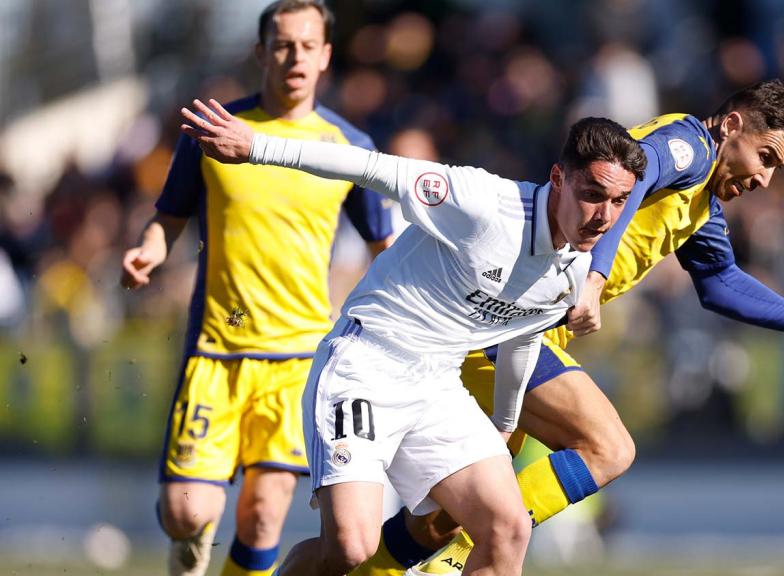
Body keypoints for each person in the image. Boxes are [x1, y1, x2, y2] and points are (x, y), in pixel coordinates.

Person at [348, 80, 784, 576]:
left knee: (445, 519)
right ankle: (453, 566)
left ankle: (371, 570)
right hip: (512, 319)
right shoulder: (688, 144)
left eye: (776, 170)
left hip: (516, 325)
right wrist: (592, 279)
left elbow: (722, 285)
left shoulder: (700, 207)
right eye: (764, 157)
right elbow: (633, 176)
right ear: (732, 125)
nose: (764, 178)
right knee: (607, 448)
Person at [180, 96, 649, 576]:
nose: (604, 216)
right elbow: (369, 167)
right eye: (593, 193)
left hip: (437, 386)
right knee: (350, 548)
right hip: (364, 366)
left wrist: (505, 423)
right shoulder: (483, 203)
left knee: (508, 527)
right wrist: (255, 146)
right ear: (558, 179)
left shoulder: (575, 270)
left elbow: (521, 335)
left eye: (618, 201)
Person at [120, 3, 394, 575]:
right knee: (185, 513)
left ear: (325, 56)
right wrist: (151, 248)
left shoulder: (350, 144)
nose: (295, 56)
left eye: (307, 45)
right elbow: (168, 216)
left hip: (298, 360)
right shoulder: (214, 132)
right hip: (216, 354)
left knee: (265, 513)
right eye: (283, 44)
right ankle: (187, 544)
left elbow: (384, 249)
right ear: (261, 52)